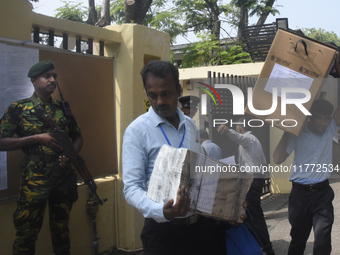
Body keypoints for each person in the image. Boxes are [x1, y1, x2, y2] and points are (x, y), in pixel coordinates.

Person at [122, 60, 226, 255]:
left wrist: (226, 203)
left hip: (202, 228)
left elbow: (201, 174)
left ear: (178, 90)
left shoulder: (190, 126)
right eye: (153, 95)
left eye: (166, 93)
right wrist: (160, 211)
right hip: (163, 234)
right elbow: (131, 188)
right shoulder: (137, 131)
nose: (159, 101)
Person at [0, 60, 83, 255]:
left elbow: (78, 136)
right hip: (33, 181)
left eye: (54, 76)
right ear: (34, 81)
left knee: (62, 231)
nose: (52, 80)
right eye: (47, 76)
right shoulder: (18, 108)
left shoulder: (63, 108)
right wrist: (36, 138)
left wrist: (69, 156)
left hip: (62, 178)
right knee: (26, 234)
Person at [273, 98, 340, 255]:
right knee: (298, 240)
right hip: (300, 196)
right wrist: (286, 131)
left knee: (323, 241)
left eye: (326, 118)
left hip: (322, 194)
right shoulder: (297, 134)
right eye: (319, 118)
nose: (323, 123)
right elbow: (277, 159)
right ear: (310, 117)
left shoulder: (330, 129)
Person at [218, 117, 275, 255]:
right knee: (253, 214)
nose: (237, 128)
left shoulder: (248, 139)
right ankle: (261, 245)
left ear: (240, 126)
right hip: (256, 179)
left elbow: (238, 137)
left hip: (251, 181)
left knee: (253, 215)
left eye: (237, 126)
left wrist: (227, 130)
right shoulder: (256, 141)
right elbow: (262, 161)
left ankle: (266, 248)